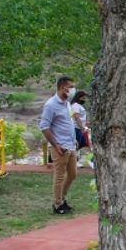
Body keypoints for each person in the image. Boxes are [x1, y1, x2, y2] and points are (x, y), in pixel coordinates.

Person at [40, 77, 78, 215]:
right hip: (60, 147)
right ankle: (57, 204)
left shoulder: (67, 103)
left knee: (73, 174)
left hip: (71, 145)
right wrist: (56, 146)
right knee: (60, 176)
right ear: (63, 87)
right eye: (71, 86)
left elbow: (68, 123)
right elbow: (44, 127)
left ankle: (62, 198)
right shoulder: (50, 105)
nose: (73, 89)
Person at [70, 91, 91, 167]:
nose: (85, 99)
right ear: (79, 97)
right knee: (77, 145)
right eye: (83, 98)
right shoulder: (75, 105)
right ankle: (74, 162)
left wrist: (86, 125)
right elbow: (76, 117)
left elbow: (81, 118)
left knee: (82, 145)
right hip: (76, 128)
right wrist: (82, 127)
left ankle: (79, 161)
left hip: (80, 128)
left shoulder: (79, 106)